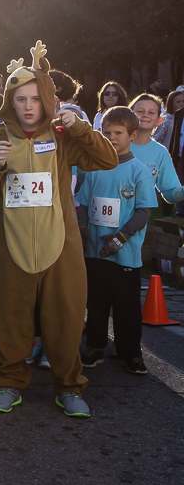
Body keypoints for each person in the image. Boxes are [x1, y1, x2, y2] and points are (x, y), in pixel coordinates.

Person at [0, 42, 117, 419]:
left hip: (61, 247)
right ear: (10, 102)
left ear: (47, 99)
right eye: (20, 99)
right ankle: (9, 383)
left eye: (35, 98)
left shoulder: (64, 136)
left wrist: (80, 127)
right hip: (11, 247)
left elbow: (107, 158)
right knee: (11, 316)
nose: (29, 106)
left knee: (66, 317)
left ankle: (69, 387)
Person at [77, 106, 157, 376]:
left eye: (118, 133)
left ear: (133, 135)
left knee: (127, 305)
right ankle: (95, 346)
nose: (111, 137)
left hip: (125, 253)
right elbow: (84, 203)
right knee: (96, 301)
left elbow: (144, 210)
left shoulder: (139, 171)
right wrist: (83, 226)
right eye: (106, 132)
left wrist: (122, 237)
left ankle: (130, 352)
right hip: (95, 251)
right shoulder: (94, 167)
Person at [128, 94, 184, 206]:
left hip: (138, 221)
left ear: (159, 120)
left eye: (151, 112)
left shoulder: (160, 152)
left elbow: (169, 193)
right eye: (140, 111)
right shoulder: (113, 145)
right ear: (129, 115)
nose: (145, 115)